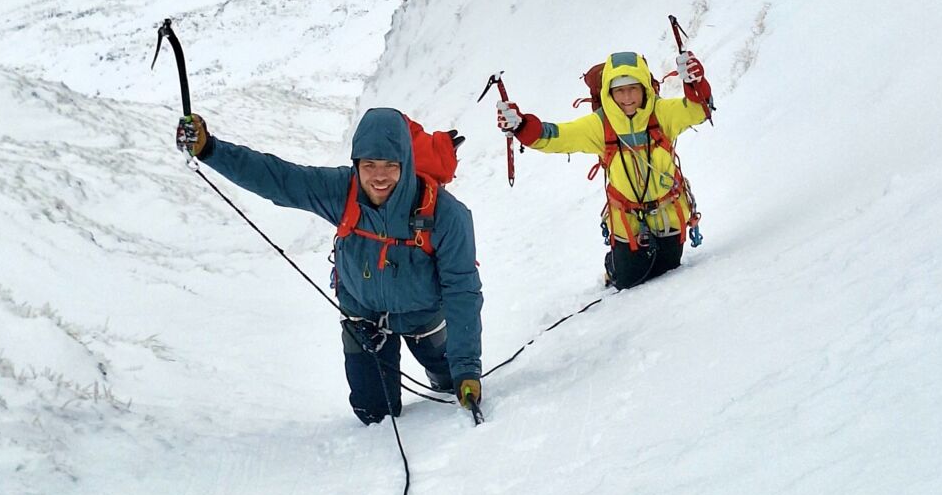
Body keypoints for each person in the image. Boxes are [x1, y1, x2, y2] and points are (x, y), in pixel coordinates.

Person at [179, 106, 483, 424]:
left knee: (452, 382)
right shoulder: (342, 191)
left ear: (405, 164)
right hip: (363, 317)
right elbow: (278, 178)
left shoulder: (447, 216)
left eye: (390, 165)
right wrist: (210, 149)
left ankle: (445, 373)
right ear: (356, 164)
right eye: (369, 165)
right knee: (374, 415)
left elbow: (462, 290)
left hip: (424, 316)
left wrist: (467, 369)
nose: (379, 176)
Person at [496, 49, 714, 291]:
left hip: (669, 219)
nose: (627, 97)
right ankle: (614, 267)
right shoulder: (600, 125)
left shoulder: (662, 113)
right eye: (619, 90)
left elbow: (698, 111)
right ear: (609, 93)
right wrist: (523, 126)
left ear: (645, 88)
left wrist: (696, 83)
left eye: (633, 88)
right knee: (628, 282)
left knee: (668, 269)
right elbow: (559, 136)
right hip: (628, 225)